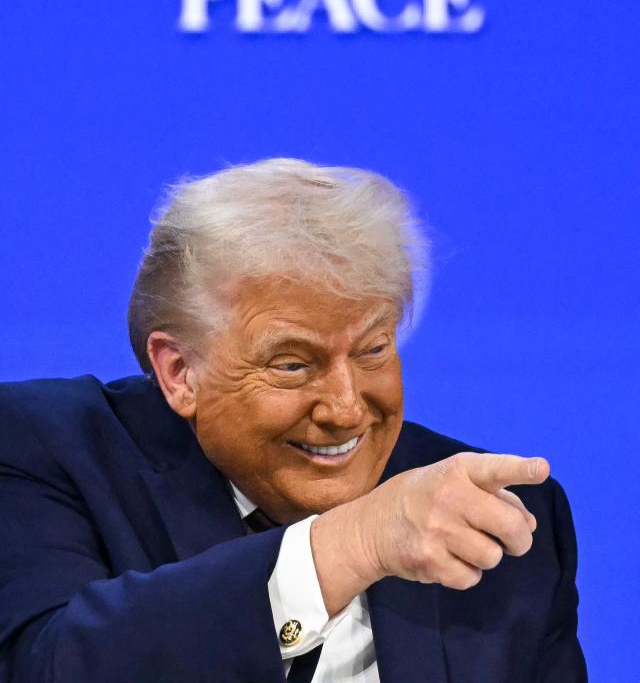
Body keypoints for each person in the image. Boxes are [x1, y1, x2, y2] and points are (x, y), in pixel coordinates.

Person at [0, 159, 586, 682]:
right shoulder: (42, 447)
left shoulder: (494, 522)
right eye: (292, 364)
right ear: (180, 372)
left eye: (374, 349)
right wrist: (355, 541)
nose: (347, 408)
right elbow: (47, 664)